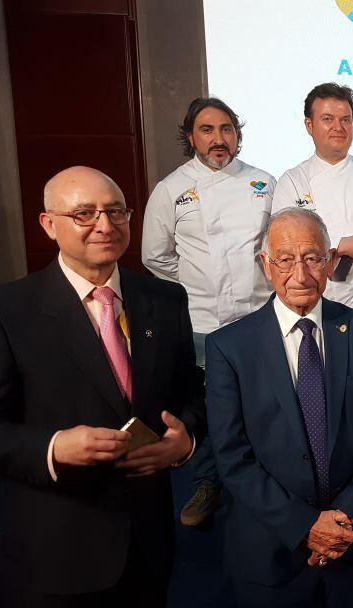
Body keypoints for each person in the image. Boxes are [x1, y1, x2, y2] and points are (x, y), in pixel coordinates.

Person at [0, 166, 205, 606]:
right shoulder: (3, 311)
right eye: (84, 214)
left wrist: (183, 442)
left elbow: (191, 393)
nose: (105, 226)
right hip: (55, 553)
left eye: (116, 211)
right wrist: (52, 448)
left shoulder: (165, 299)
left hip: (149, 547)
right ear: (49, 224)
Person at [205, 208, 353, 607]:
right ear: (266, 264)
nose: (300, 274)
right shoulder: (228, 347)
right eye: (285, 259)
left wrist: (341, 521)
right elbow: (232, 457)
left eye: (312, 258)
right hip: (270, 553)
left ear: (329, 262)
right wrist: (305, 527)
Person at [141, 96, 274, 527]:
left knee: (264, 402)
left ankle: (269, 479)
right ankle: (209, 483)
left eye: (226, 129)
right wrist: (198, 285)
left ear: (237, 134)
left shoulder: (265, 182)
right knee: (213, 408)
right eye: (207, 130)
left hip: (258, 314)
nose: (218, 139)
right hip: (203, 321)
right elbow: (155, 256)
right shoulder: (171, 188)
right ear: (190, 136)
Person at [271, 83, 353, 312]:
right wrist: (342, 245)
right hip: (317, 300)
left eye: (346, 120)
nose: (338, 127)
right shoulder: (292, 180)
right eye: (328, 119)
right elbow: (287, 241)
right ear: (309, 125)